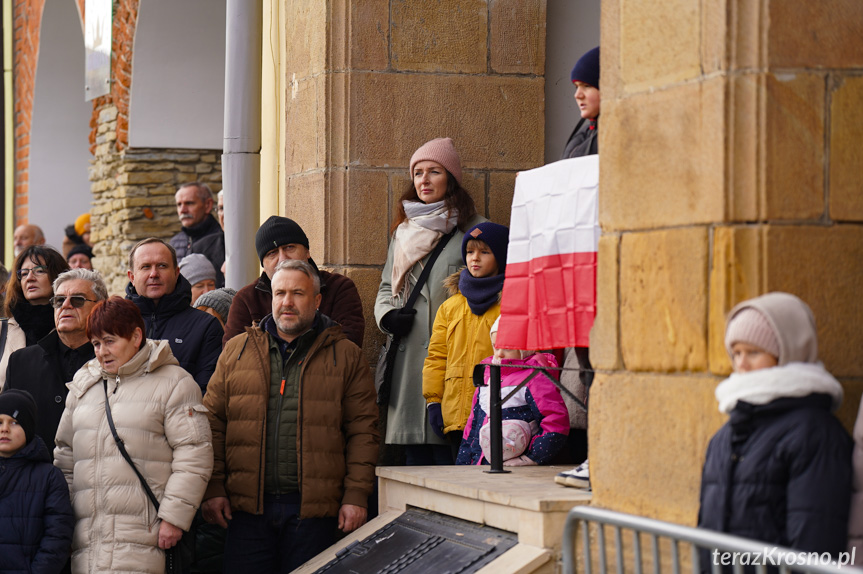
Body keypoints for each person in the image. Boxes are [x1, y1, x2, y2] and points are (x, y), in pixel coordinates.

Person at [202, 259, 378, 572]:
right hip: (246, 512)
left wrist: (356, 495)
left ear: (317, 299)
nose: (287, 302)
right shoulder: (237, 350)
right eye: (279, 293)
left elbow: (363, 431)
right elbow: (212, 423)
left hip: (314, 514)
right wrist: (213, 488)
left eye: (298, 293)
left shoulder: (346, 355)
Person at [54, 296, 213, 574]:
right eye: (96, 344)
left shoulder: (175, 382)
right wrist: (63, 524)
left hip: (147, 540)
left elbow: (194, 454)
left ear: (136, 336)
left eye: (110, 340)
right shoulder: (84, 384)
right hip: (87, 544)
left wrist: (174, 519)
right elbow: (65, 458)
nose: (102, 351)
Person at [698, 292, 851, 558]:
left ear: (788, 353)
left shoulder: (815, 434)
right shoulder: (725, 435)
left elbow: (814, 536)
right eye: (736, 353)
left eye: (753, 352)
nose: (741, 364)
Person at [374, 137, 484, 465]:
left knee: (451, 457)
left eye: (433, 171)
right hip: (409, 362)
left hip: (454, 359)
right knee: (413, 459)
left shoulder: (475, 231)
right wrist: (387, 317)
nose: (423, 179)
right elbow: (385, 289)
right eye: (418, 172)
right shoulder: (403, 232)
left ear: (450, 178)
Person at [422, 221, 509, 461]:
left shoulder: (511, 305)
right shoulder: (450, 307)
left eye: (484, 252)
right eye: (470, 252)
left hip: (498, 415)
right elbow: (436, 357)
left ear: (501, 256)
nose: (475, 258)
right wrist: (433, 401)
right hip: (456, 415)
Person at [555, 45, 601, 488]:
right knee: (586, 361)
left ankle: (609, 453)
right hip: (579, 265)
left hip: (605, 262)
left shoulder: (615, 131)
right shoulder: (581, 132)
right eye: (575, 87)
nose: (578, 94)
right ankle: (595, 456)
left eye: (587, 85)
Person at [222, 216, 365, 347]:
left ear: (307, 252)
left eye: (289, 247)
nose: (283, 258)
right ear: (264, 266)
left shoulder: (339, 288)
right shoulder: (246, 300)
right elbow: (232, 356)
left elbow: (349, 347)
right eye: (272, 253)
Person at [4, 269, 107, 447]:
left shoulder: (114, 360)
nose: (66, 305)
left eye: (77, 300)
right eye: (59, 300)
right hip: (34, 471)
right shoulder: (21, 362)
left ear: (100, 306)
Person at [457, 318, 569, 466]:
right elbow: (473, 424)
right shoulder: (487, 375)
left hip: (518, 466)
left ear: (524, 349)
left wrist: (531, 458)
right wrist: (464, 461)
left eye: (508, 348)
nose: (500, 354)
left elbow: (555, 421)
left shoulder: (535, 378)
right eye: (496, 347)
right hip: (482, 462)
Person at [125, 238, 224, 392]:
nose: (154, 274)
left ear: (176, 273)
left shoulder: (205, 326)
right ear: (132, 277)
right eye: (145, 267)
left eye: (162, 266)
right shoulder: (116, 324)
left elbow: (207, 394)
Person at [0, 389, 75, 574]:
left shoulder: (48, 477)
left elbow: (57, 536)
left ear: (28, 427)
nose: (4, 429)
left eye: (14, 422)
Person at [0, 246, 70, 390]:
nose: (30, 278)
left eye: (39, 271)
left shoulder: (72, 326)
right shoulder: (3, 330)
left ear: (58, 276)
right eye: (24, 273)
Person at [170, 182, 225, 287]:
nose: (182, 210)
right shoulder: (174, 244)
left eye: (189, 203)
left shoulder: (222, 240)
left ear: (208, 205)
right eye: (179, 204)